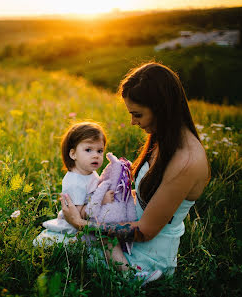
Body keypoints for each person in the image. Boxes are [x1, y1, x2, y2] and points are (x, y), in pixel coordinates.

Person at [60, 62, 210, 280]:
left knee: (62, 250)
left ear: (161, 108)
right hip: (128, 242)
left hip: (145, 259)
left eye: (137, 114)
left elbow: (144, 231)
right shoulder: (164, 139)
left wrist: (81, 224)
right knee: (58, 241)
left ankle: (133, 279)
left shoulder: (186, 162)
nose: (132, 122)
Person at [34, 121, 127, 270]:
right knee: (108, 239)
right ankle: (128, 274)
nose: (96, 156)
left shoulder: (90, 173)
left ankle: (119, 263)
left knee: (114, 232)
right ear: (73, 154)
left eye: (100, 151)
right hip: (75, 229)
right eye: (88, 150)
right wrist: (101, 201)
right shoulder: (75, 182)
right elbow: (77, 215)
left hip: (87, 223)